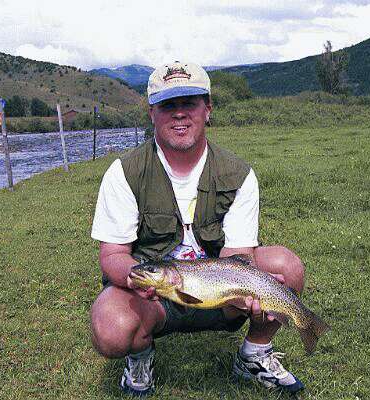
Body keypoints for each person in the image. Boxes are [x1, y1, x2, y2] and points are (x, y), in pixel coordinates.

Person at [90, 61, 306, 396]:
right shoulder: (124, 173)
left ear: (207, 109)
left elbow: (238, 256)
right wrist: (135, 274)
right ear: (152, 113)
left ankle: (254, 355)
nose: (179, 114)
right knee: (111, 327)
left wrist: (248, 293)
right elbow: (112, 255)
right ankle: (139, 354)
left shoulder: (238, 174)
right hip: (154, 298)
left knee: (285, 269)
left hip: (219, 294)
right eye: (167, 105)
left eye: (188, 103)